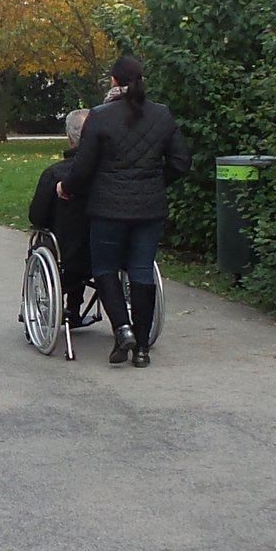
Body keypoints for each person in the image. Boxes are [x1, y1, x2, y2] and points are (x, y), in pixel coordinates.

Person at [59, 55, 191, 367]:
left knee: (104, 268)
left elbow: (84, 166)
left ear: (115, 82)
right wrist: (155, 182)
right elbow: (180, 162)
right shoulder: (162, 115)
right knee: (141, 270)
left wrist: (67, 188)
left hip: (108, 208)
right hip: (149, 209)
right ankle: (142, 349)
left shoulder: (100, 117)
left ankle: (123, 329)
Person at [28, 108, 93, 322]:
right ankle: (74, 307)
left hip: (67, 255)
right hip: (105, 254)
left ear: (69, 138)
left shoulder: (55, 174)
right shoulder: (108, 173)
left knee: (51, 238)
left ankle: (68, 307)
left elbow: (37, 217)